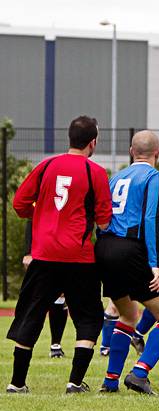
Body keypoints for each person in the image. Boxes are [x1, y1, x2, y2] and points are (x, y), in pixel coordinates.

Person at [7, 116, 112, 393]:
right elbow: (104, 221)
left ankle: (17, 383)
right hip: (79, 258)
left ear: (70, 138)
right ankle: (75, 382)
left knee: (31, 313)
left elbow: (19, 205)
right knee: (89, 317)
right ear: (93, 142)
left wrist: (42, 214)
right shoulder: (96, 172)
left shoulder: (46, 166)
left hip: (44, 256)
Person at [95, 130, 159, 395]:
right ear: (157, 153)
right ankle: (140, 373)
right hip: (132, 250)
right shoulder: (155, 178)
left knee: (128, 315)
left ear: (132, 152)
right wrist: (154, 262)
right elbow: (152, 218)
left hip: (105, 247)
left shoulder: (116, 177)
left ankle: (110, 381)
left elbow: (103, 219)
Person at [23, 220, 68, 358]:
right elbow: (31, 215)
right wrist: (29, 251)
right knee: (38, 297)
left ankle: (56, 345)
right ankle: (24, 345)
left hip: (66, 243)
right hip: (42, 246)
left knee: (60, 296)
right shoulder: (41, 200)